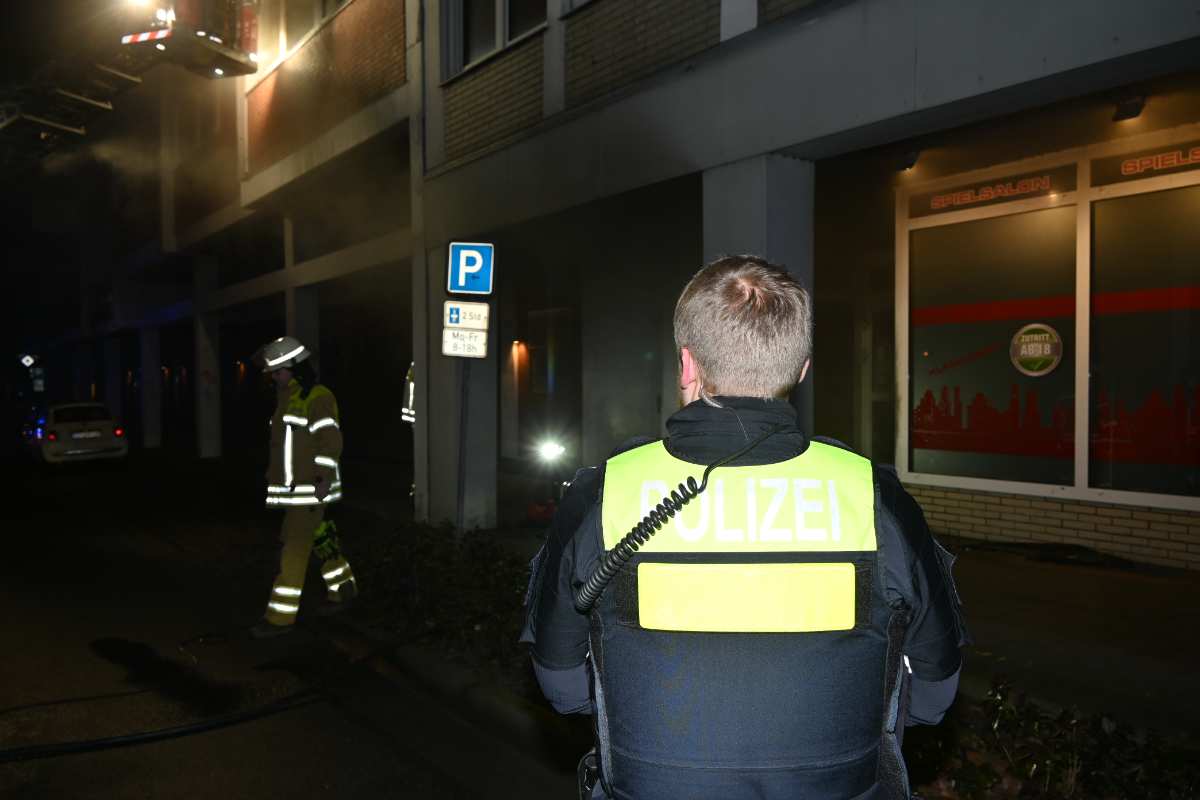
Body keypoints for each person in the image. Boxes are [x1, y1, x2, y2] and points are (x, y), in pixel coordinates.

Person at [522, 256, 969, 799]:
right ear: (801, 368)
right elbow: (933, 695)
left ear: (686, 364)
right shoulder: (874, 497)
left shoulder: (605, 493)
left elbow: (563, 687)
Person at [251, 336, 357, 639]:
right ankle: (343, 588)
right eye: (273, 372)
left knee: (294, 551)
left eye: (279, 371)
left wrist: (323, 476)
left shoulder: (317, 396)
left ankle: (278, 618)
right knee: (320, 537)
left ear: (296, 368)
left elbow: (330, 439)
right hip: (298, 489)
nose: (274, 377)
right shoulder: (288, 397)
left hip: (310, 488)